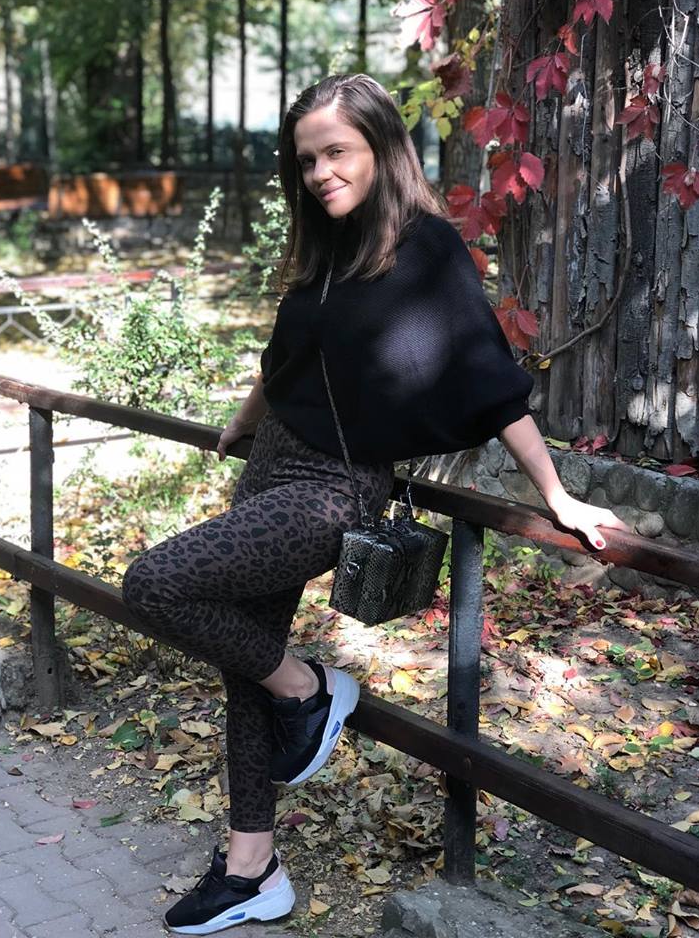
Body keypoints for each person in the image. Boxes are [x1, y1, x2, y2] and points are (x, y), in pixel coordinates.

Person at [121, 73, 628, 935]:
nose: (320, 173)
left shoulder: (425, 248)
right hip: (271, 465)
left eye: (336, 152)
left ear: (383, 148)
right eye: (306, 160)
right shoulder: (328, 247)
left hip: (333, 486)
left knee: (155, 585)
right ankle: (252, 868)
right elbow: (286, 358)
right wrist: (242, 420)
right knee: (244, 668)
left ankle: (314, 690)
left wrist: (559, 494)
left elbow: (488, 379)